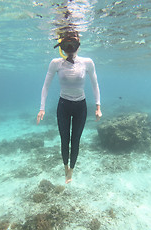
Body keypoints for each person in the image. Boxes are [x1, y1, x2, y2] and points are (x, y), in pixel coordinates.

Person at [37, 31, 102, 184]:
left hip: (81, 106)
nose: (70, 48)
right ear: (62, 46)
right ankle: (65, 166)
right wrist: (42, 108)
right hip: (63, 105)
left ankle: (71, 169)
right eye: (67, 45)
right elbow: (46, 86)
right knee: (64, 139)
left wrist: (98, 107)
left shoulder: (87, 62)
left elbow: (95, 84)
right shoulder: (56, 63)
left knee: (76, 140)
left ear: (78, 45)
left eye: (73, 44)